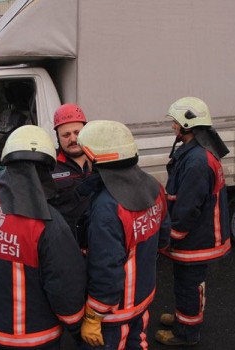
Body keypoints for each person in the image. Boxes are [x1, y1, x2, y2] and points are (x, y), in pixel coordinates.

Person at [0, 125, 86, 349]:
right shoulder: (49, 224)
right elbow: (65, 286)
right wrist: (76, 326)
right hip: (34, 336)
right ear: (46, 169)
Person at [76, 120, 170, 349]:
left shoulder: (107, 207)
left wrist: (93, 316)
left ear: (97, 158)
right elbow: (164, 236)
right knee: (138, 343)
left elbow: (106, 268)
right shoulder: (153, 186)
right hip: (143, 296)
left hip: (112, 312)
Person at [155, 96, 231, 346]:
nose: (173, 127)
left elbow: (188, 207)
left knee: (189, 284)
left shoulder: (197, 160)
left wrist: (172, 236)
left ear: (187, 126)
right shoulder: (197, 152)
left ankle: (186, 333)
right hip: (197, 234)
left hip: (196, 238)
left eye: (175, 123)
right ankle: (183, 318)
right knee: (185, 282)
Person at [48, 103, 93, 239]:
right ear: (57, 137)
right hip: (65, 242)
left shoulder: (100, 160)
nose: (73, 139)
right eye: (66, 135)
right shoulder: (48, 165)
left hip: (97, 241)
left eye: (77, 133)